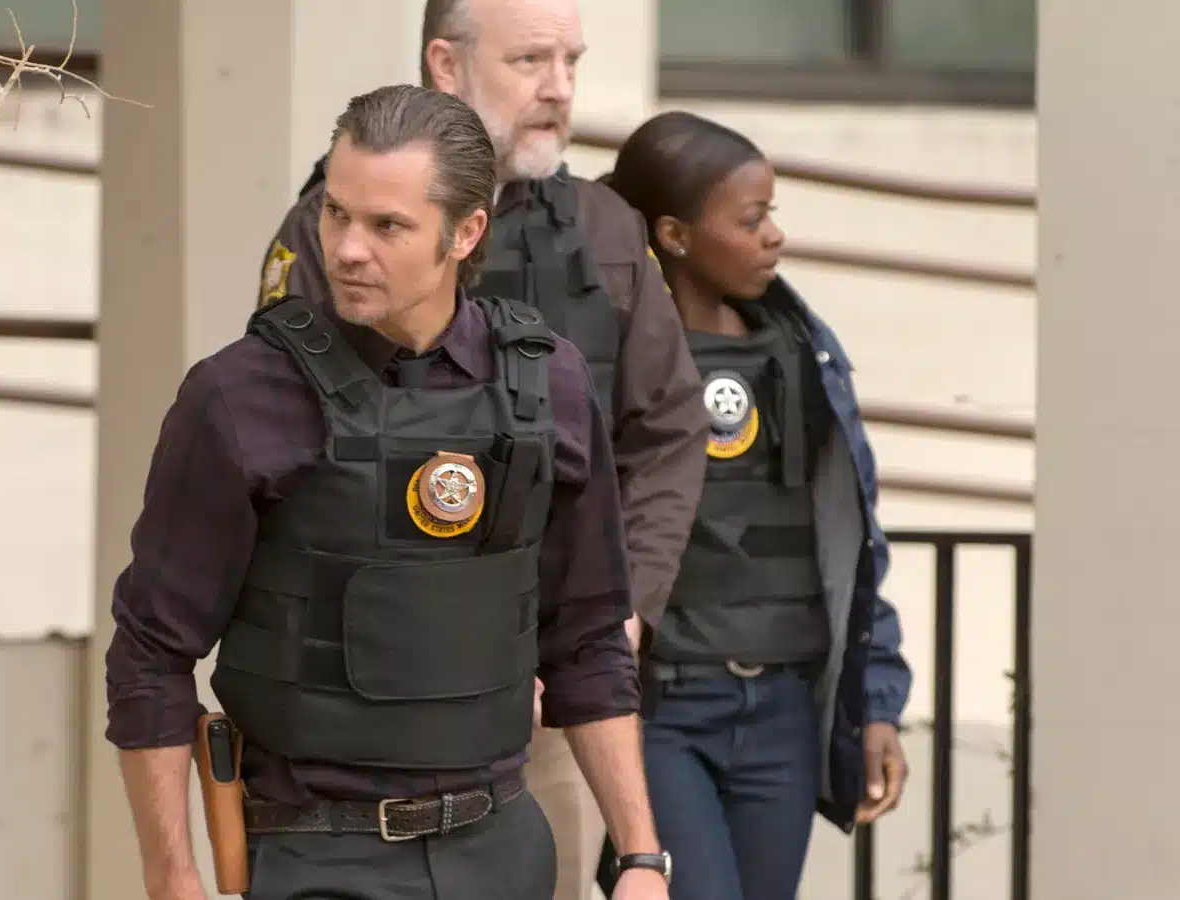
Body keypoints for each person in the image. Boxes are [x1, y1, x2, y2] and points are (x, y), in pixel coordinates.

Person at [106, 84, 671, 900]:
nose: (346, 249)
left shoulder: (552, 384)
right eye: (336, 214)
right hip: (320, 856)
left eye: (387, 226)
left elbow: (588, 641)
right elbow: (152, 649)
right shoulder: (238, 396)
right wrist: (172, 877)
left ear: (464, 233)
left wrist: (642, 858)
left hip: (503, 851)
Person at [257, 3, 708, 896]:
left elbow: (667, 430)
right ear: (446, 63)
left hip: (555, 712)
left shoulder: (606, 232)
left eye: (571, 60)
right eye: (530, 59)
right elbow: (304, 461)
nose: (560, 88)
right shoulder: (338, 235)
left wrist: (621, 615)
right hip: (373, 714)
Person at [591, 110, 914, 900]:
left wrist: (876, 702)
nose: (775, 236)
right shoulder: (608, 357)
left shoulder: (801, 350)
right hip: (660, 710)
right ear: (674, 234)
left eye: (773, 213)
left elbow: (851, 543)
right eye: (751, 218)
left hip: (784, 711)